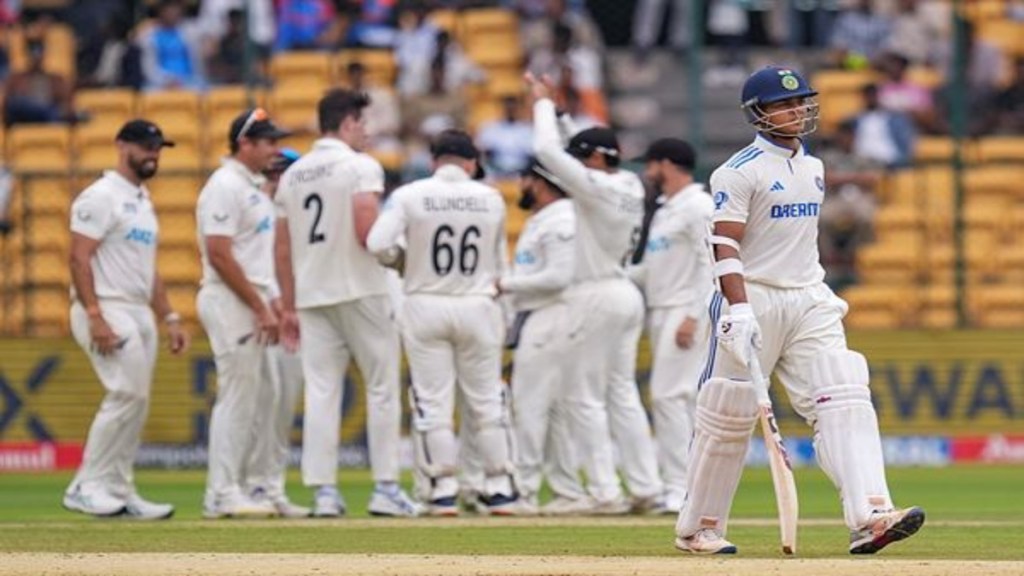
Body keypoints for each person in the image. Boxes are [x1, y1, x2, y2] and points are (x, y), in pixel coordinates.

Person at [674, 66, 924, 555]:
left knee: (844, 392)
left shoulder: (814, 166)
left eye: (801, 101)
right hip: (752, 296)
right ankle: (697, 527)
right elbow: (723, 241)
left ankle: (870, 514)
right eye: (783, 104)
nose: (797, 110)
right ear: (758, 113)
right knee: (728, 411)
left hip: (809, 295)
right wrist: (739, 308)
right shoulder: (738, 170)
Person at [273, 89, 420, 518]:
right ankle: (386, 487)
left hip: (312, 294)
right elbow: (366, 230)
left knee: (321, 393)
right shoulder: (360, 166)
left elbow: (281, 248)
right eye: (364, 123)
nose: (369, 131)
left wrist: (286, 304)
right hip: (362, 288)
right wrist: (399, 259)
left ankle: (323, 493)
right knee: (382, 388)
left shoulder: (292, 175)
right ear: (348, 123)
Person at [525, 72, 663, 514]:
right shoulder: (627, 183)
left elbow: (548, 151)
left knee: (581, 395)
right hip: (624, 292)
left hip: (595, 294)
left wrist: (542, 104)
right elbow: (578, 150)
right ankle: (645, 487)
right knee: (620, 394)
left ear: (591, 162)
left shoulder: (596, 186)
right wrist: (564, 115)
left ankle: (604, 492)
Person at [366, 129, 523, 517]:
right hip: (478, 302)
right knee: (487, 400)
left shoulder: (409, 195)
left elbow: (376, 244)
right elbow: (498, 258)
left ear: (435, 159)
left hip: (425, 302)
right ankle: (499, 487)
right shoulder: (490, 198)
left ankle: (442, 490)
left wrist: (403, 261)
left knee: (433, 402)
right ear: (470, 163)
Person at [63, 119, 188, 519]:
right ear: (121, 146)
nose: (152, 154)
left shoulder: (142, 200)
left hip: (137, 309)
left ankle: (119, 487)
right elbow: (77, 257)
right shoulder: (101, 196)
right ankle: (85, 485)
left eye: (157, 147)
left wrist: (168, 315)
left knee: (137, 401)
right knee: (125, 394)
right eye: (145, 146)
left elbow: (147, 270)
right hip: (107, 305)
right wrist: (95, 313)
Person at [196, 108, 289, 518]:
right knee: (237, 396)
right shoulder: (224, 186)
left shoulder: (251, 188)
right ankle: (220, 492)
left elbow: (254, 257)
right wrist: (257, 304)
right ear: (244, 144)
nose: (274, 149)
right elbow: (219, 254)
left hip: (253, 300)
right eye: (268, 142)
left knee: (264, 396)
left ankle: (255, 486)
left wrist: (272, 301)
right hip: (231, 301)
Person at [497, 160, 591, 516]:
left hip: (552, 315)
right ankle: (567, 489)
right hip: (539, 317)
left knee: (530, 406)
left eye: (524, 179)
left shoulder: (562, 219)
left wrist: (505, 285)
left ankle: (523, 491)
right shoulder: (544, 219)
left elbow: (559, 277)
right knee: (550, 411)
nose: (520, 185)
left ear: (539, 182)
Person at [630, 138, 714, 514]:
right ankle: (688, 488)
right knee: (678, 399)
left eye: (650, 164)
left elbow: (709, 265)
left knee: (669, 396)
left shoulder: (698, 205)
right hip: (661, 309)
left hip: (684, 310)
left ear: (665, 163)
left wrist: (695, 315)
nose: (647, 172)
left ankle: (679, 488)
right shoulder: (666, 209)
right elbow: (650, 270)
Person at [243, 148, 310, 519]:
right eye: (276, 173)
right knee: (258, 405)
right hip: (262, 314)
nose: (279, 179)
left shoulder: (296, 216)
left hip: (291, 318)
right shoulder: (254, 208)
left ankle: (271, 485)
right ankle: (248, 484)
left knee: (282, 406)